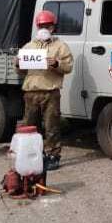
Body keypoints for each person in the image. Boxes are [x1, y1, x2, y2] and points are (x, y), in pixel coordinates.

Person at [15, 10, 73, 171]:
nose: (44, 28)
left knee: (51, 126)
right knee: (30, 126)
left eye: (48, 25)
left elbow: (68, 67)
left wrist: (56, 64)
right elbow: (20, 71)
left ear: (53, 27)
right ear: (37, 26)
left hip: (50, 92)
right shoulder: (29, 46)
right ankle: (32, 155)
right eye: (41, 25)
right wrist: (18, 64)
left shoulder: (60, 46)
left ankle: (53, 155)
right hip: (31, 92)